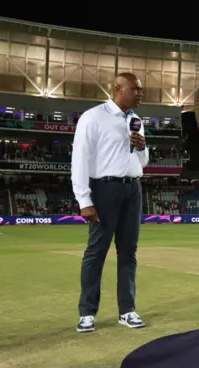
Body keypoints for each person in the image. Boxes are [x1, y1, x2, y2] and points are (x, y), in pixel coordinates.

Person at [71, 72, 149, 333]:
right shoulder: (94, 117)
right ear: (118, 88)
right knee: (96, 251)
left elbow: (143, 162)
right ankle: (87, 313)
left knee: (128, 252)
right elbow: (79, 159)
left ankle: (127, 311)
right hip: (105, 189)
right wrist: (84, 199)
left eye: (140, 89)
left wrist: (141, 147)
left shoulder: (136, 120)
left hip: (133, 189)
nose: (140, 93)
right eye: (135, 89)